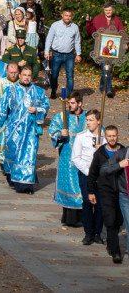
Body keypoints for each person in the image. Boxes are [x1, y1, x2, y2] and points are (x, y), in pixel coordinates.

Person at [0, 66, 50, 193]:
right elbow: (2, 108)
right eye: (24, 75)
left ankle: (25, 185)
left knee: (29, 155)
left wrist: (37, 109)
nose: (26, 77)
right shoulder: (11, 90)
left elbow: (45, 106)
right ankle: (13, 179)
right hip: (14, 130)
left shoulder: (39, 91)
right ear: (20, 75)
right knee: (14, 155)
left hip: (31, 130)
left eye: (29, 75)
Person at [87, 125, 126, 263]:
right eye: (109, 136)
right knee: (110, 220)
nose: (112, 138)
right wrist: (91, 191)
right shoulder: (100, 153)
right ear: (105, 137)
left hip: (121, 191)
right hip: (105, 191)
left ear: (117, 136)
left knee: (118, 220)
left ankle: (110, 242)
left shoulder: (123, 151)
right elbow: (92, 173)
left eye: (114, 135)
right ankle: (116, 252)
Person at [47, 92, 86, 225]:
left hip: (84, 158)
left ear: (80, 103)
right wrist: (60, 134)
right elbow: (52, 131)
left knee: (82, 186)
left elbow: (98, 130)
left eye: (73, 103)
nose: (70, 105)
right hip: (67, 157)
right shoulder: (62, 116)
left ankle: (83, 218)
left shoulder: (88, 117)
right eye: (68, 103)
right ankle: (70, 219)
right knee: (69, 185)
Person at [71, 109, 104, 245]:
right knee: (87, 202)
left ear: (98, 121)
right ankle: (88, 232)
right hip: (86, 175)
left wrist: (102, 151)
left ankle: (97, 232)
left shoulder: (104, 137)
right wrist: (89, 172)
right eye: (87, 120)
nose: (88, 123)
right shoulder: (81, 137)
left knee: (100, 205)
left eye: (91, 120)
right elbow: (75, 158)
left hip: (101, 177)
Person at [85, 2, 124, 97]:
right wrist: (88, 22)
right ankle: (109, 89)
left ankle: (103, 86)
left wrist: (124, 43)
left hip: (113, 48)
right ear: (104, 10)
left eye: (109, 10)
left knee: (107, 69)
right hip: (100, 48)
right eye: (106, 10)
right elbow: (90, 31)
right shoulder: (98, 18)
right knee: (105, 69)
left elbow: (122, 31)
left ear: (113, 10)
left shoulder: (117, 20)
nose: (108, 12)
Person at [44, 8, 81, 99]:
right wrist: (46, 51)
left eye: (69, 16)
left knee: (70, 75)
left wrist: (78, 54)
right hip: (57, 54)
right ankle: (53, 90)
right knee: (54, 75)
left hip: (69, 55)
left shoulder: (75, 27)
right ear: (62, 15)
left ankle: (69, 94)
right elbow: (49, 39)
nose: (68, 17)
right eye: (66, 15)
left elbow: (77, 41)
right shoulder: (55, 25)